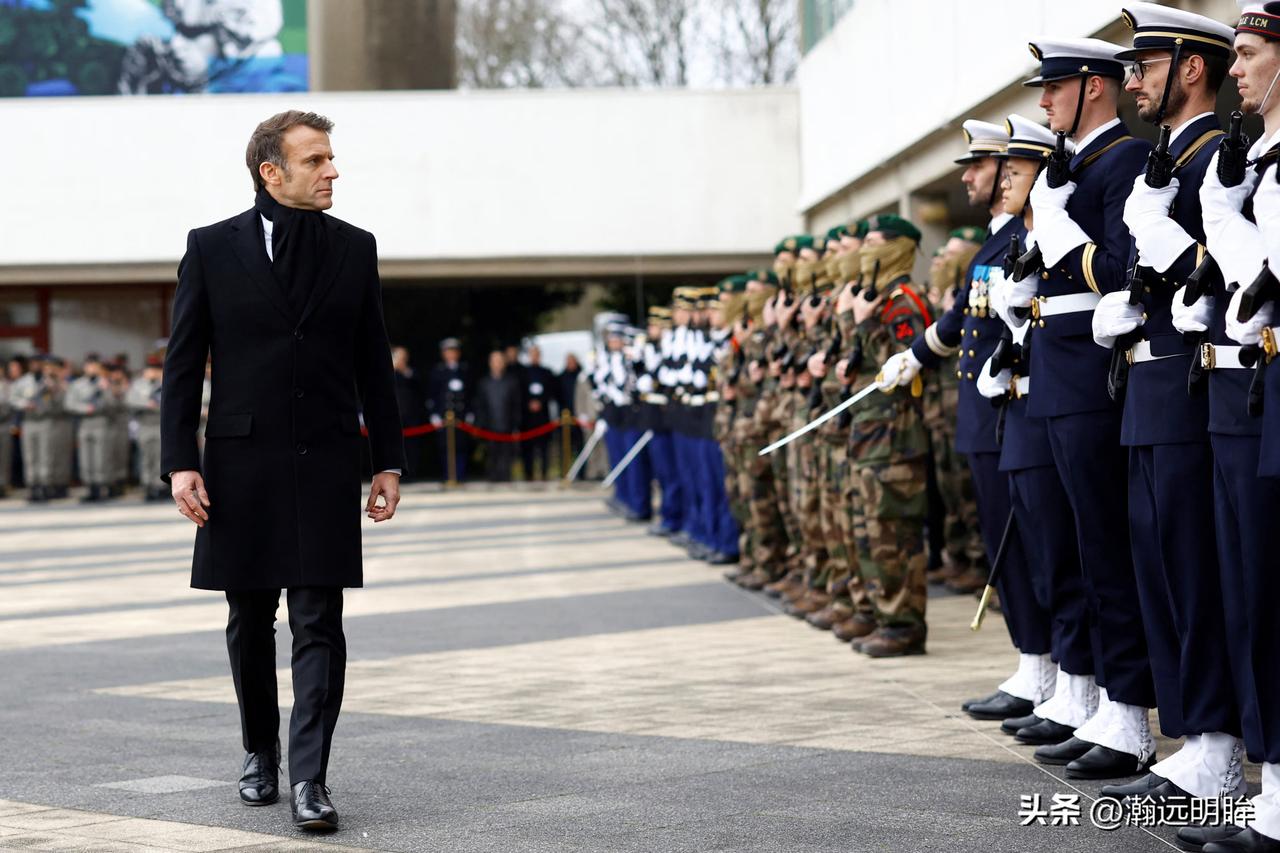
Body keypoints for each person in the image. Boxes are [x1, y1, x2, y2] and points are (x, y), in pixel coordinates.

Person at [160, 110, 405, 832]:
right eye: (318, 159)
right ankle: (258, 751)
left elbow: (373, 362)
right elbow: (181, 365)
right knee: (248, 618)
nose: (334, 170)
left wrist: (386, 459)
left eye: (331, 158)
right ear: (274, 171)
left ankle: (310, 778)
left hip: (327, 459)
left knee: (319, 620)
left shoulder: (355, 249)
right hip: (241, 463)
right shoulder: (211, 248)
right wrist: (180, 461)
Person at [1091, 3, 1246, 808]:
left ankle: (1217, 744)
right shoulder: (1164, 160)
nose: (1132, 81)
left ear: (1193, 68)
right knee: (1158, 565)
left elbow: (1220, 269)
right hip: (1148, 381)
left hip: (1190, 379)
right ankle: (1192, 732)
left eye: (1145, 66)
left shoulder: (1217, 154)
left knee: (1193, 566)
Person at [1001, 37, 1157, 779]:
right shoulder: (1079, 168)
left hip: (1093, 376)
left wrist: (1059, 230)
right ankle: (1098, 698)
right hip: (1060, 377)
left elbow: (1124, 267)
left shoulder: (1122, 160)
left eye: (1053, 88)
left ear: (1094, 87)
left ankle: (1128, 712)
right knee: (1085, 549)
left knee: (1105, 547)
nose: (1043, 102)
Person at [65, 355, 114, 502]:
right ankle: (90, 487)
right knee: (86, 458)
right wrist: (85, 408)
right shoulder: (77, 384)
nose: (91, 368)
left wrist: (107, 390)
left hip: (101, 422)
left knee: (101, 457)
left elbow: (114, 406)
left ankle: (101, 487)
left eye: (94, 366)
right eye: (89, 365)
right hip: (85, 423)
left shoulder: (105, 383)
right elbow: (69, 404)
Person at [474, 349, 521, 482]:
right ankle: (492, 477)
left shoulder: (512, 382)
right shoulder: (483, 383)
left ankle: (505, 477)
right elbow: (480, 405)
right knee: (491, 454)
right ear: (490, 363)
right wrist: (479, 424)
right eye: (495, 361)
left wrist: (516, 424)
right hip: (489, 425)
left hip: (507, 425)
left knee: (506, 455)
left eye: (500, 361)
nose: (498, 364)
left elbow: (516, 405)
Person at [426, 338, 469, 482]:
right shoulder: (438, 371)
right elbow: (431, 394)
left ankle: (460, 476)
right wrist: (434, 415)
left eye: (454, 351)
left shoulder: (464, 370)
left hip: (460, 417)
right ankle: (447, 476)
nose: (451, 354)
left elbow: (470, 394)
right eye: (448, 351)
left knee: (461, 446)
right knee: (444, 447)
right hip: (444, 416)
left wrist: (470, 413)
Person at [127, 353, 166, 501]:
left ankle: (161, 487)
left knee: (159, 457)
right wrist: (147, 403)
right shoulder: (139, 384)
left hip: (159, 424)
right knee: (145, 457)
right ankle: (148, 486)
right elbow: (130, 400)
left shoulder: (164, 382)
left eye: (155, 369)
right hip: (145, 424)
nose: (151, 372)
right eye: (150, 369)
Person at [520, 344, 555, 480]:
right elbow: (520, 392)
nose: (534, 356)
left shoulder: (547, 372)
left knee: (544, 448)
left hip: (543, 417)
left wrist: (541, 402)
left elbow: (551, 391)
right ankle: (528, 474)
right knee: (528, 448)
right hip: (528, 418)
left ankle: (544, 473)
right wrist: (529, 403)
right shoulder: (523, 373)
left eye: (537, 354)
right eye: (532, 354)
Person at [391, 346, 426, 480]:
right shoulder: (387, 372)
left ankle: (411, 474)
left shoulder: (411, 373)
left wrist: (405, 371)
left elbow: (419, 388)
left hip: (410, 416)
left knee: (412, 447)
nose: (402, 360)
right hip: (393, 417)